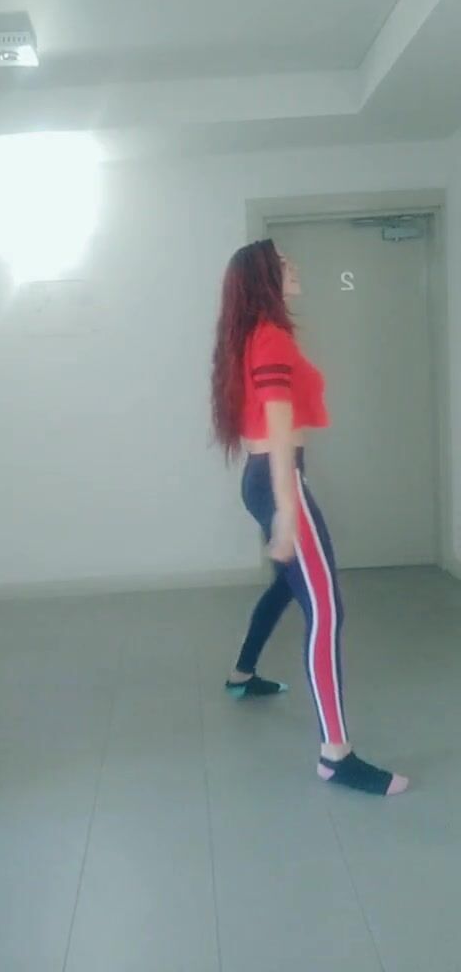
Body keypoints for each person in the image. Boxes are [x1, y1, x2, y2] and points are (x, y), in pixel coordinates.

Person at [211, 239, 408, 796]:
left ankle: (242, 674)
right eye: (283, 264)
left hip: (266, 480)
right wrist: (287, 511)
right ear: (263, 278)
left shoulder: (253, 335)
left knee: (288, 584)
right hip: (279, 481)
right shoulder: (270, 337)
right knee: (326, 609)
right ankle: (335, 756)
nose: (294, 267)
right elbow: (278, 432)